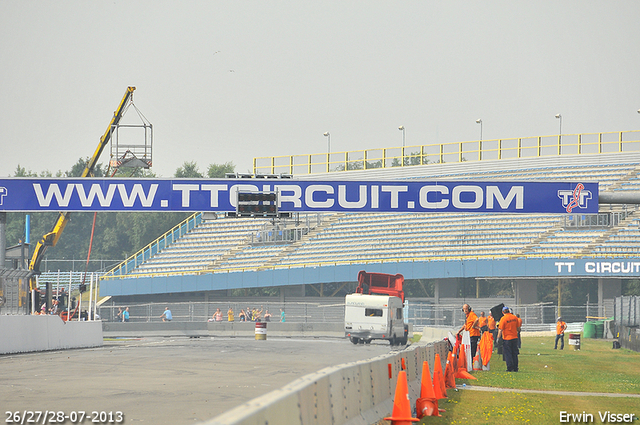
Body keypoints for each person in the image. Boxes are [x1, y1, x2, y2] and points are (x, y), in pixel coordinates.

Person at [497, 306, 520, 372]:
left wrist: (498, 338)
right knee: (514, 353)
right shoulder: (515, 317)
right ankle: (515, 368)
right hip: (514, 338)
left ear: (502, 312)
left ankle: (510, 367)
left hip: (507, 338)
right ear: (509, 311)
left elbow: (500, 329)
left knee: (508, 354)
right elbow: (518, 328)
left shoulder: (503, 319)